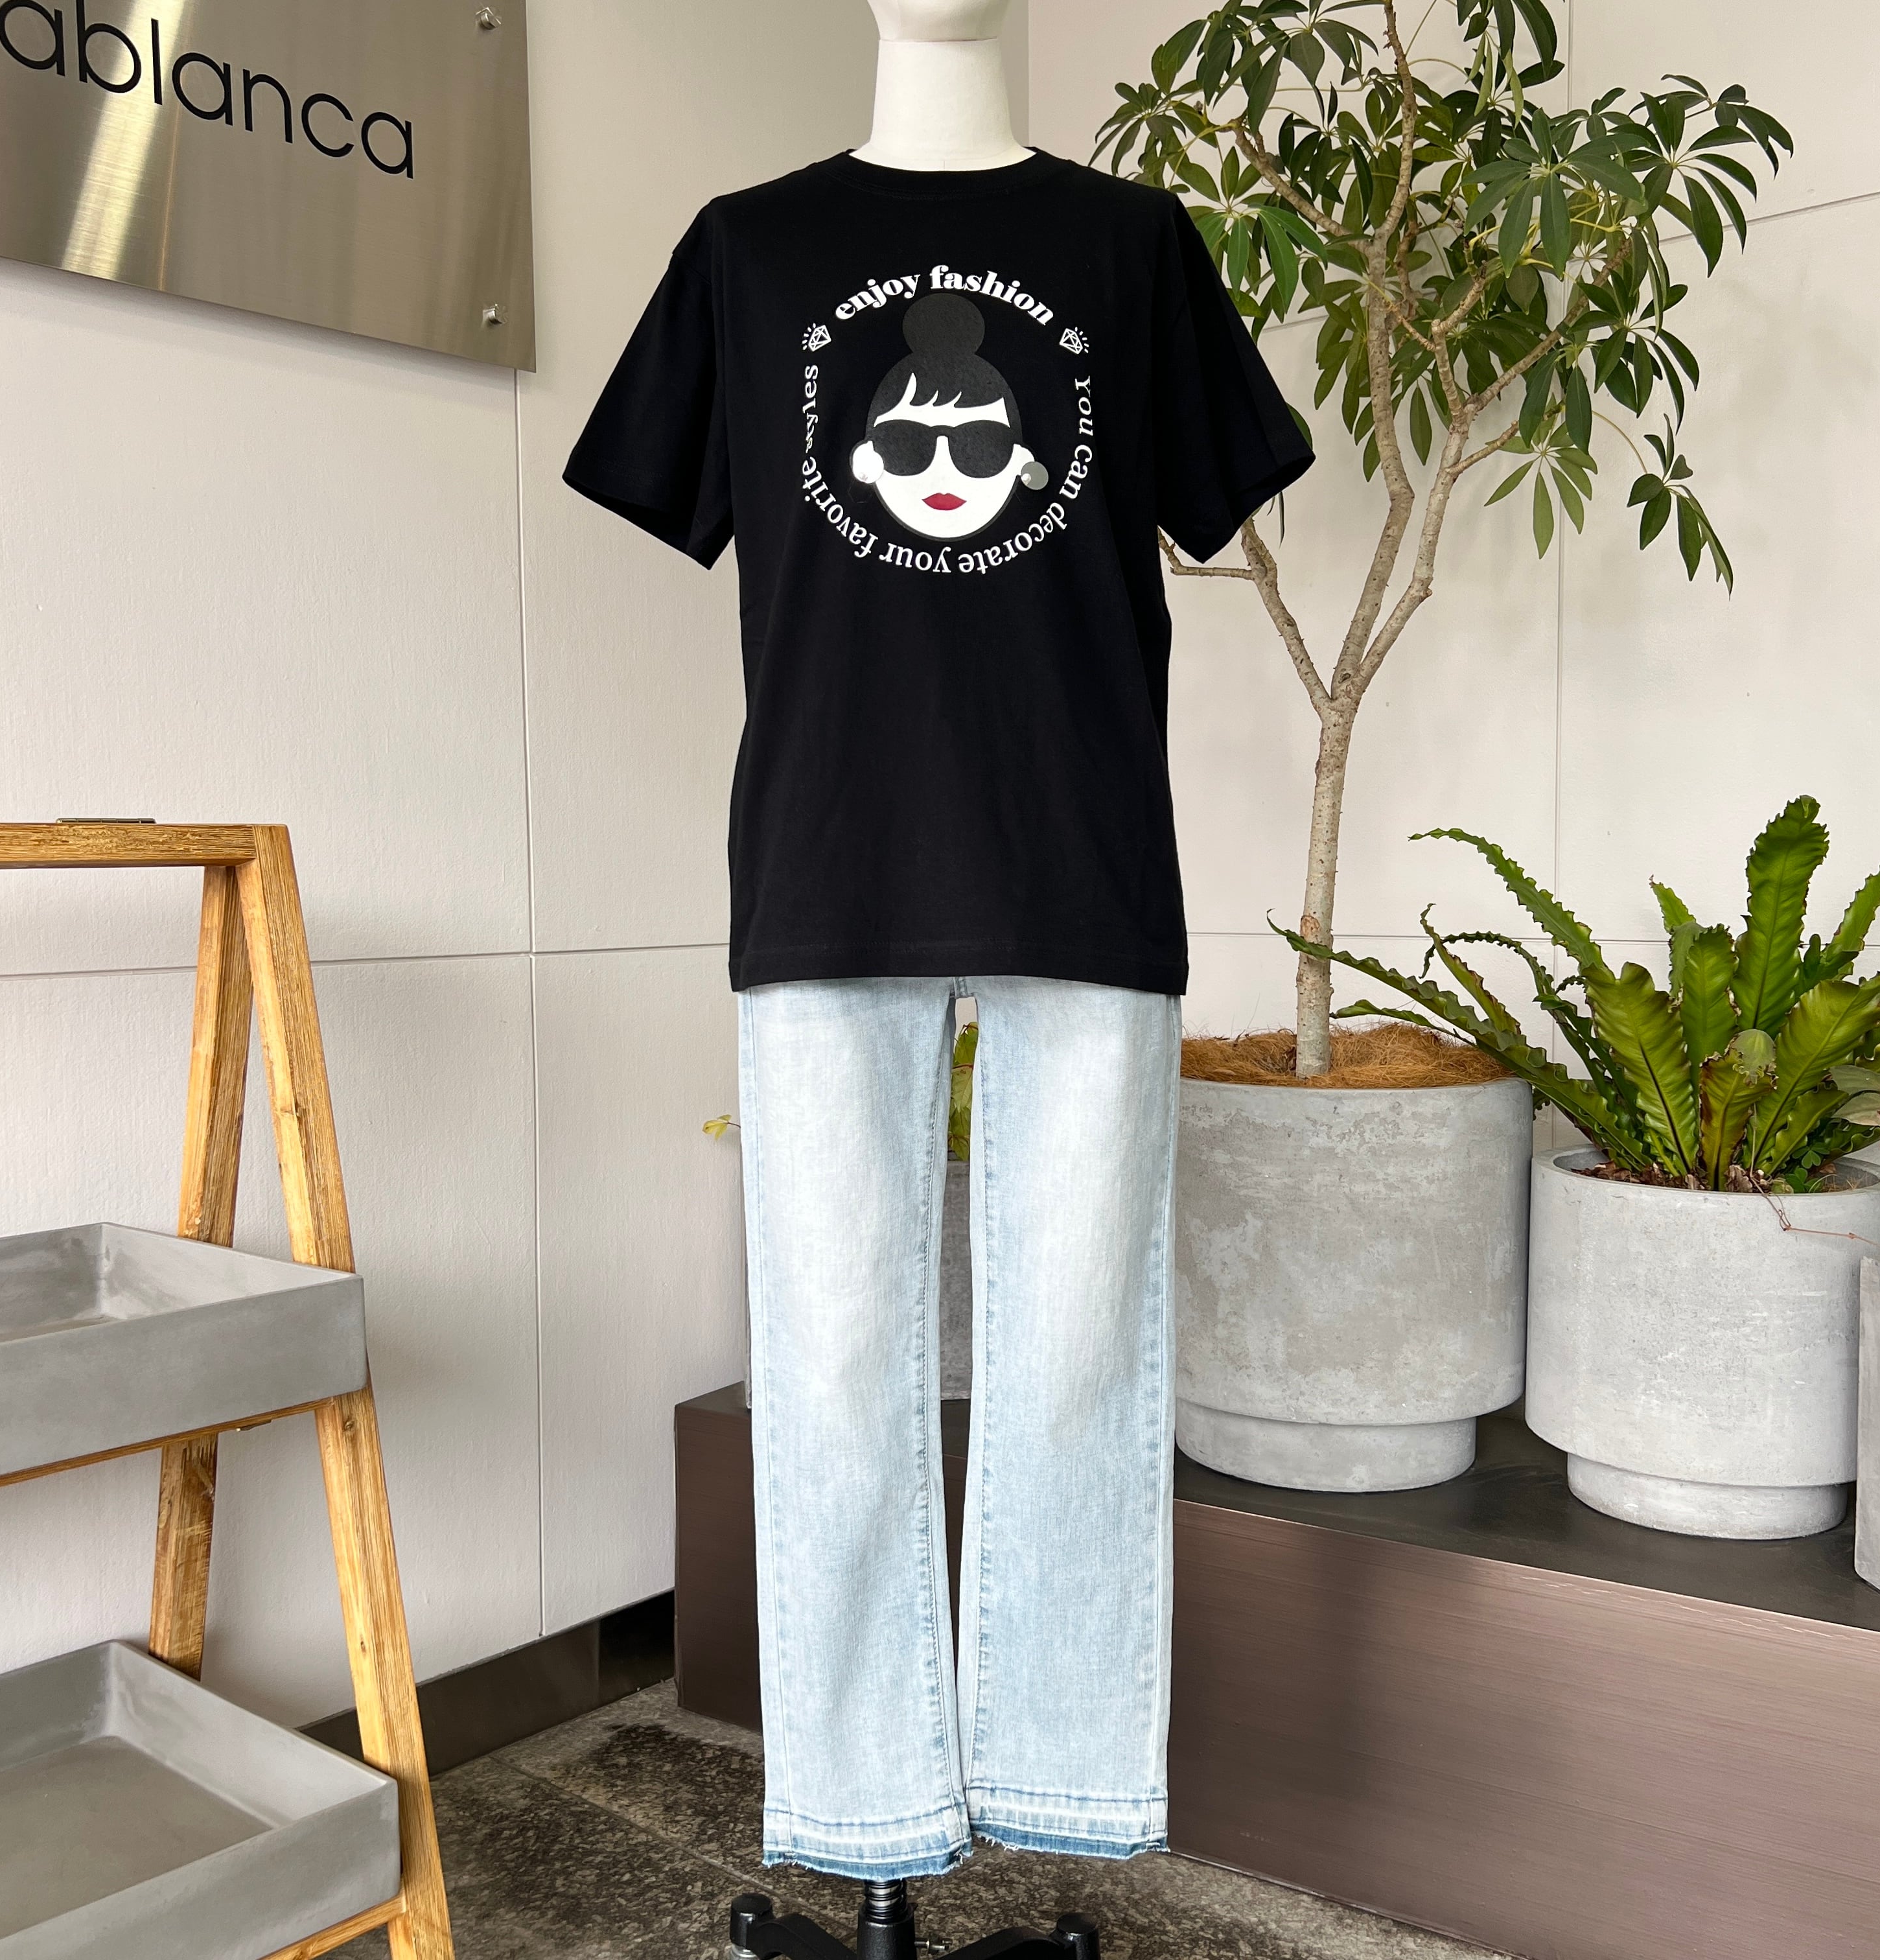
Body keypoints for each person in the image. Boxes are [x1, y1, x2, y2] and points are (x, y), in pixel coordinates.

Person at [563, 0, 1311, 1885]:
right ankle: (861, 1806)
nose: (956, 449)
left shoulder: (1134, 245)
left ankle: (1062, 1782)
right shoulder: (748, 251)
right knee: (830, 1363)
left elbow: (1206, 493)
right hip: (827, 865)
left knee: (1078, 1356)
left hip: (1082, 864)